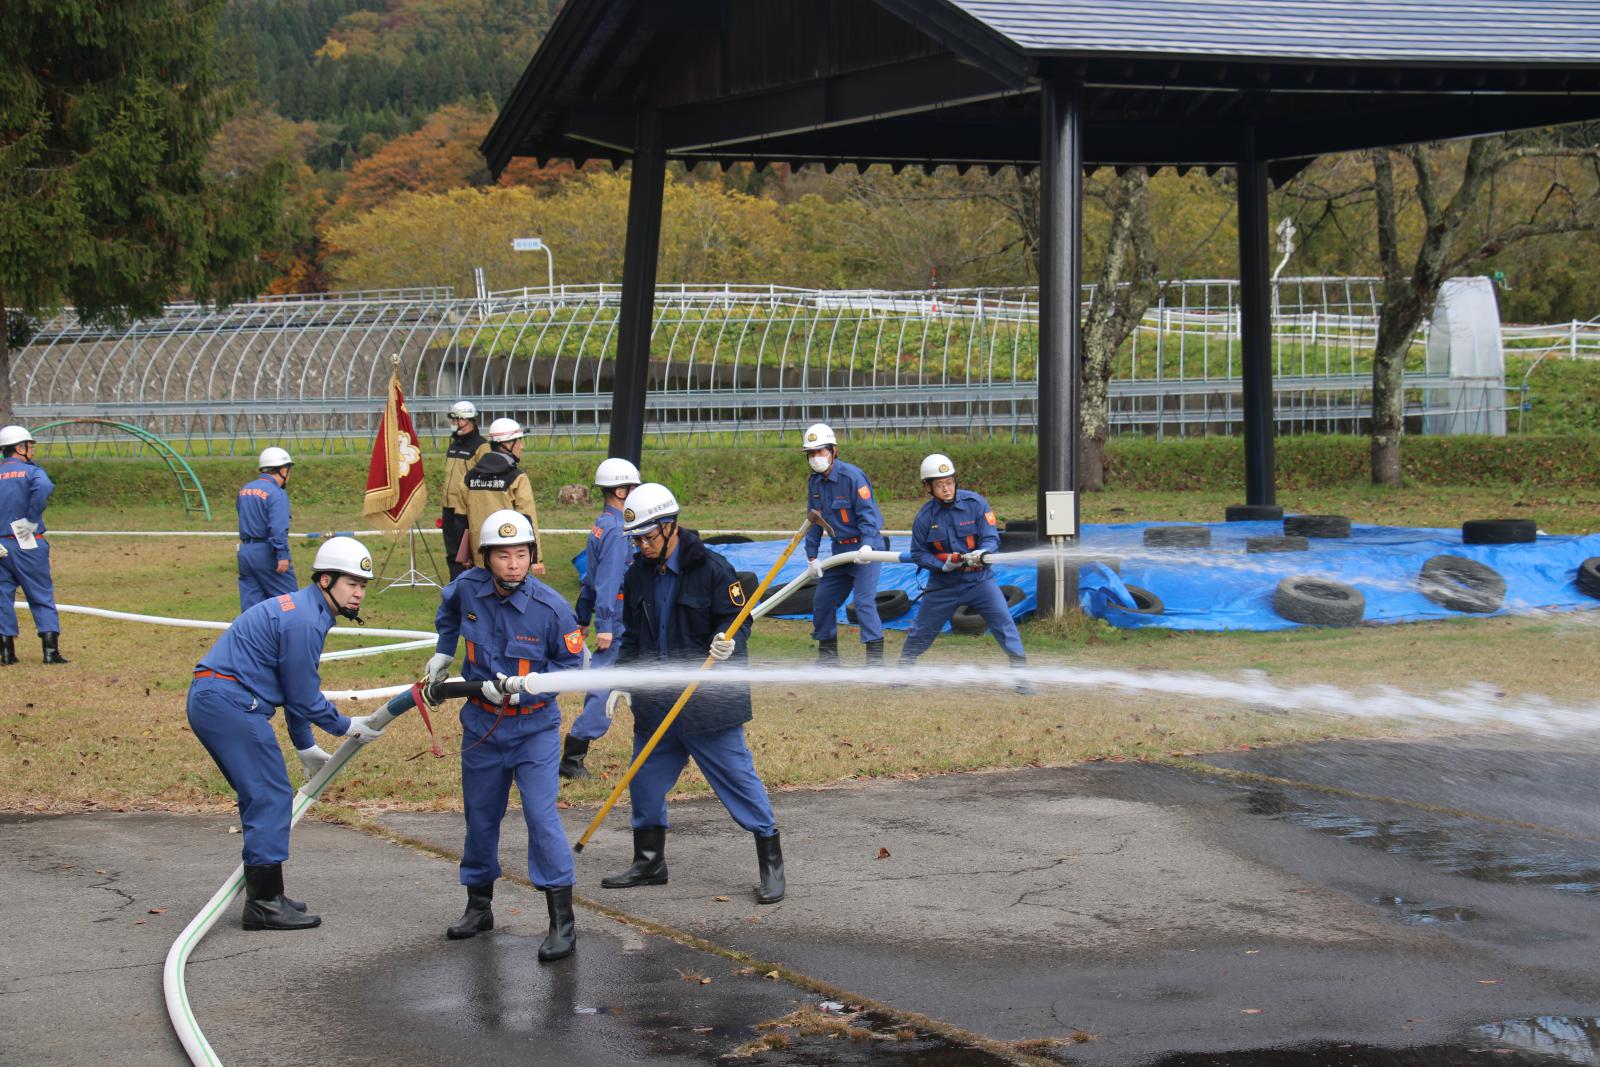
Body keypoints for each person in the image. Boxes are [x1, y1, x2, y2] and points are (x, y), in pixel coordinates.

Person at [597, 483, 784, 905]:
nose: (641, 546)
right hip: (658, 702)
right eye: (636, 539)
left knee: (738, 782)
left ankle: (771, 860)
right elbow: (632, 639)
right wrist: (623, 680)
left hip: (707, 704)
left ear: (670, 526)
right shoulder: (637, 574)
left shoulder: (713, 569)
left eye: (647, 536)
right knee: (643, 781)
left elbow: (739, 618)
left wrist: (728, 640)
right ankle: (649, 862)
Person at [187, 536, 384, 931]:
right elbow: (303, 696)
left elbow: (293, 691)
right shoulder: (306, 620)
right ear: (325, 580)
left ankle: (270, 893)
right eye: (351, 584)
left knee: (262, 794)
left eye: (363, 585)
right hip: (229, 702)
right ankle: (262, 903)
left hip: (221, 699)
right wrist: (347, 726)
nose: (359, 593)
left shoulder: (306, 610)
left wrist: (305, 746)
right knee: (270, 794)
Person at [424, 510, 585, 962]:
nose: (513, 564)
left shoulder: (552, 608)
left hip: (533, 729)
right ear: (486, 559)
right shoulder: (469, 588)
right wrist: (442, 650)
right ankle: (479, 908)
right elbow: (448, 609)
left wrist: (525, 691)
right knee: (480, 817)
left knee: (539, 816)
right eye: (502, 555)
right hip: (479, 726)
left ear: (532, 556)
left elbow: (572, 670)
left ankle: (562, 923)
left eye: (521, 554)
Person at [901, 453, 1029, 678]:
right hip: (943, 585)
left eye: (949, 482)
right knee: (922, 631)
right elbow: (918, 553)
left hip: (979, 581)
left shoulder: (976, 504)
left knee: (1004, 624)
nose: (947, 489)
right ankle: (902, 673)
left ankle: (1022, 676)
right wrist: (942, 566)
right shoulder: (924, 518)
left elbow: (991, 537)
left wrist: (983, 551)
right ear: (927, 488)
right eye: (940, 485)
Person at [562, 457, 640, 779]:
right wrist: (604, 626)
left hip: (620, 618)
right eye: (633, 488)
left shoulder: (601, 524)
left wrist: (583, 613)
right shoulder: (619, 531)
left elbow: (590, 578)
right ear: (621, 491)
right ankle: (573, 755)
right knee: (605, 685)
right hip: (620, 620)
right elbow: (607, 580)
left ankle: (655, 748)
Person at [800, 423, 887, 667]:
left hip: (866, 550)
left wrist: (868, 546)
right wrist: (811, 556)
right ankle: (828, 657)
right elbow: (814, 521)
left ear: (833, 451)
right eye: (812, 453)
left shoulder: (852, 477)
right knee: (823, 599)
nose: (816, 458)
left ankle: (875, 662)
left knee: (863, 602)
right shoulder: (814, 484)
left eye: (821, 451)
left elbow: (869, 517)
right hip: (839, 552)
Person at [0, 425, 65, 665]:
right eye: (29, 446)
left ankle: (6, 653)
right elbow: (45, 487)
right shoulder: (31, 472)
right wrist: (31, 517)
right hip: (25, 537)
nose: (32, 450)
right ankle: (50, 652)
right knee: (40, 593)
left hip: (0, 541)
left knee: (1, 597)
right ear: (19, 448)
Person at [460, 417, 543, 577]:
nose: (522, 446)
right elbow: (528, 518)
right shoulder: (517, 477)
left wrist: (465, 554)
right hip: (509, 554)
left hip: (479, 553)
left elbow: (462, 517)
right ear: (507, 444)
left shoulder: (469, 477)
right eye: (518, 441)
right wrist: (535, 558)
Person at [236, 446, 297, 611]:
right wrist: (282, 555)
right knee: (290, 603)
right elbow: (278, 528)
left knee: (252, 610)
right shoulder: (276, 493)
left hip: (245, 552)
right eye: (289, 470)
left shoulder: (245, 490)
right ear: (282, 470)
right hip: (267, 552)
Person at [440, 401, 489, 581]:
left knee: (469, 553)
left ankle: (473, 584)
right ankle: (456, 585)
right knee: (452, 552)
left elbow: (482, 479)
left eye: (456, 420)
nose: (453, 423)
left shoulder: (481, 446)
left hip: (467, 509)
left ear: (467, 420)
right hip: (448, 507)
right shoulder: (453, 445)